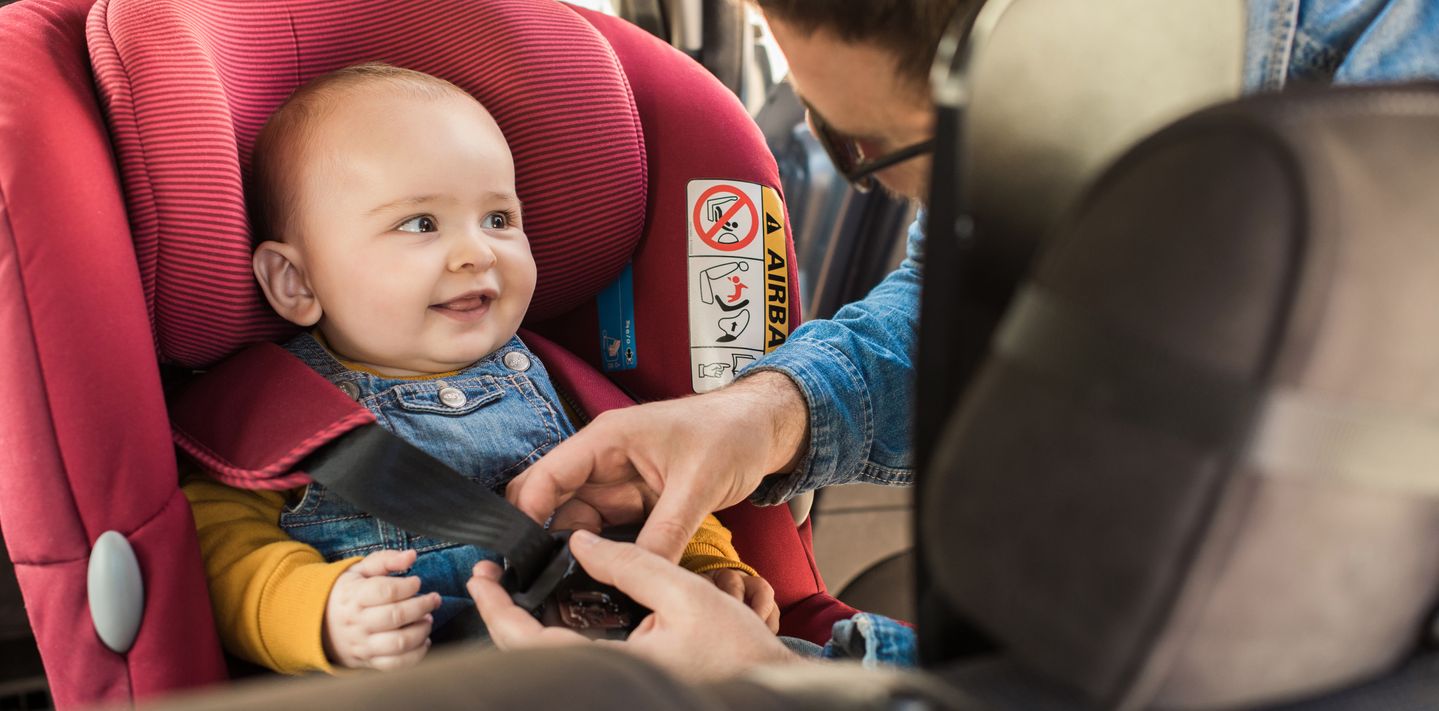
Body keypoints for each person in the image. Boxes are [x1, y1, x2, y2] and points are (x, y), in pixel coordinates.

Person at [476, 0, 1439, 681]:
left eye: (873, 148)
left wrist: (785, 691)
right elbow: (979, 284)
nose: (879, 187)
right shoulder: (1062, 101)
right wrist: (766, 414)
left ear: (1040, 48)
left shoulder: (1397, 154)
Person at [180, 63, 778, 675]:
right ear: (296, 280)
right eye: (420, 224)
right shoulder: (273, 417)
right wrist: (323, 614)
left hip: (629, 660)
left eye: (499, 219)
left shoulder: (560, 382)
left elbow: (653, 484)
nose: (477, 253)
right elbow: (222, 554)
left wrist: (706, 564)